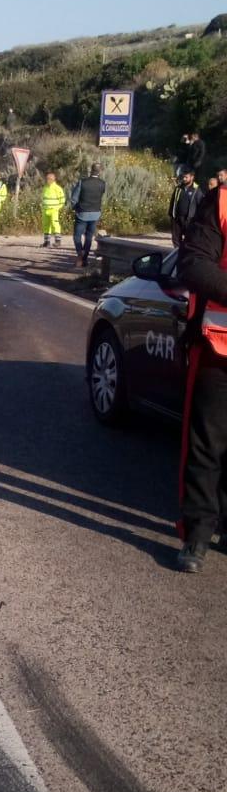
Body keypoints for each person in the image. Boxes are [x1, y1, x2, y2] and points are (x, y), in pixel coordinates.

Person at [176, 181, 227, 570]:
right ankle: (197, 536)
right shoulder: (221, 201)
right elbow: (193, 263)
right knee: (207, 445)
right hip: (219, 349)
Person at [70, 163, 106, 268]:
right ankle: (85, 259)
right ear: (99, 172)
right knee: (89, 236)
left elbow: (74, 198)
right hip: (95, 213)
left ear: (91, 170)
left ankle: (80, 255)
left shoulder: (82, 182)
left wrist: (75, 208)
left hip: (82, 213)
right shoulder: (102, 183)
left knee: (77, 236)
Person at [169, 166, 202, 247]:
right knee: (176, 239)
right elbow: (173, 202)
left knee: (189, 239)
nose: (184, 179)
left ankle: (185, 255)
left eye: (186, 177)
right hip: (177, 218)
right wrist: (171, 214)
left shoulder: (197, 190)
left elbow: (201, 205)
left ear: (192, 177)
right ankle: (176, 254)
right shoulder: (178, 188)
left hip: (189, 219)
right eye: (183, 177)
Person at [40, 170, 65, 247]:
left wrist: (58, 207)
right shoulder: (45, 188)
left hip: (54, 210)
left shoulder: (57, 188)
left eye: (50, 179)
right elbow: (42, 198)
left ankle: (58, 241)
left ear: (53, 179)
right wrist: (42, 206)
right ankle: (46, 242)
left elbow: (62, 200)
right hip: (45, 210)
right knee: (46, 225)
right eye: (47, 179)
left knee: (55, 224)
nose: (48, 180)